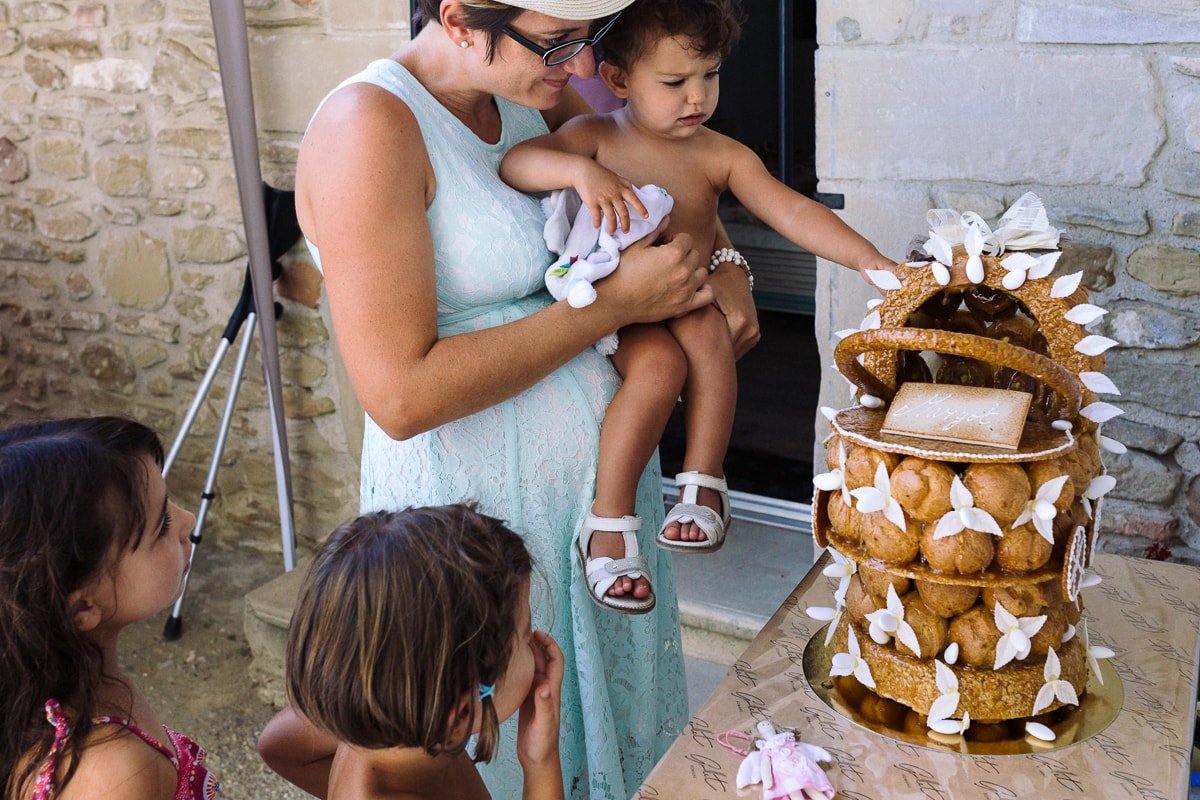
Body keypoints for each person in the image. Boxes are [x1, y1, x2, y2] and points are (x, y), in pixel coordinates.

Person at [259, 0, 761, 796]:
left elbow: (670, 175)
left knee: (614, 727)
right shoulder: (369, 125)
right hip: (477, 523)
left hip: (599, 513)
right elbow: (400, 394)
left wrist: (728, 262)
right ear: (459, 19)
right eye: (560, 40)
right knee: (521, 733)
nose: (587, 68)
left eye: (587, 38)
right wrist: (613, 308)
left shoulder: (539, 92)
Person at [499, 0, 896, 590]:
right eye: (675, 81)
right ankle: (608, 520)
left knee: (709, 331)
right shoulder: (594, 138)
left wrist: (867, 258)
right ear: (618, 80)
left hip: (684, 294)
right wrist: (579, 173)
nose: (697, 97)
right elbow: (516, 164)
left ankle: (703, 482)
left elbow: (789, 209)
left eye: (709, 75)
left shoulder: (719, 154)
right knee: (657, 373)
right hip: (615, 307)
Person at [275, 504, 564, 800]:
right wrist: (540, 763)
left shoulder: (383, 721)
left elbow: (276, 745)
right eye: (526, 633)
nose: (536, 640)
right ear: (460, 714)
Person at [0, 417, 221, 800]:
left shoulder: (75, 688)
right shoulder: (113, 774)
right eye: (162, 524)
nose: (188, 521)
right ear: (83, 605)